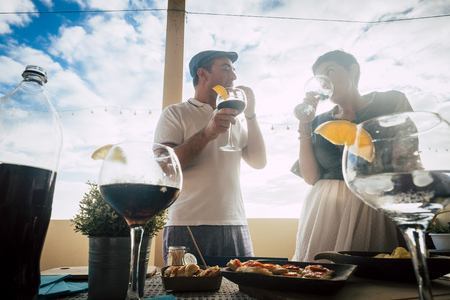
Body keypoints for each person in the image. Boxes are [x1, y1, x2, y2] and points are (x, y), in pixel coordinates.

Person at [291, 50, 413, 262]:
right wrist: (305, 124)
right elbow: (310, 177)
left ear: (353, 69)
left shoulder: (392, 101)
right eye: (320, 78)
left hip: (372, 204)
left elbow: (406, 161)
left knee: (371, 279)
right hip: (325, 208)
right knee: (320, 276)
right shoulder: (318, 120)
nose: (325, 82)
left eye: (330, 71)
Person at [154, 50, 267, 264]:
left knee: (241, 294)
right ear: (202, 73)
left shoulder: (234, 119)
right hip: (187, 224)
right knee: (187, 294)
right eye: (226, 69)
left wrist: (250, 116)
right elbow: (165, 167)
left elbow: (259, 162)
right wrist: (207, 133)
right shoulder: (175, 113)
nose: (233, 77)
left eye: (234, 71)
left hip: (235, 222)